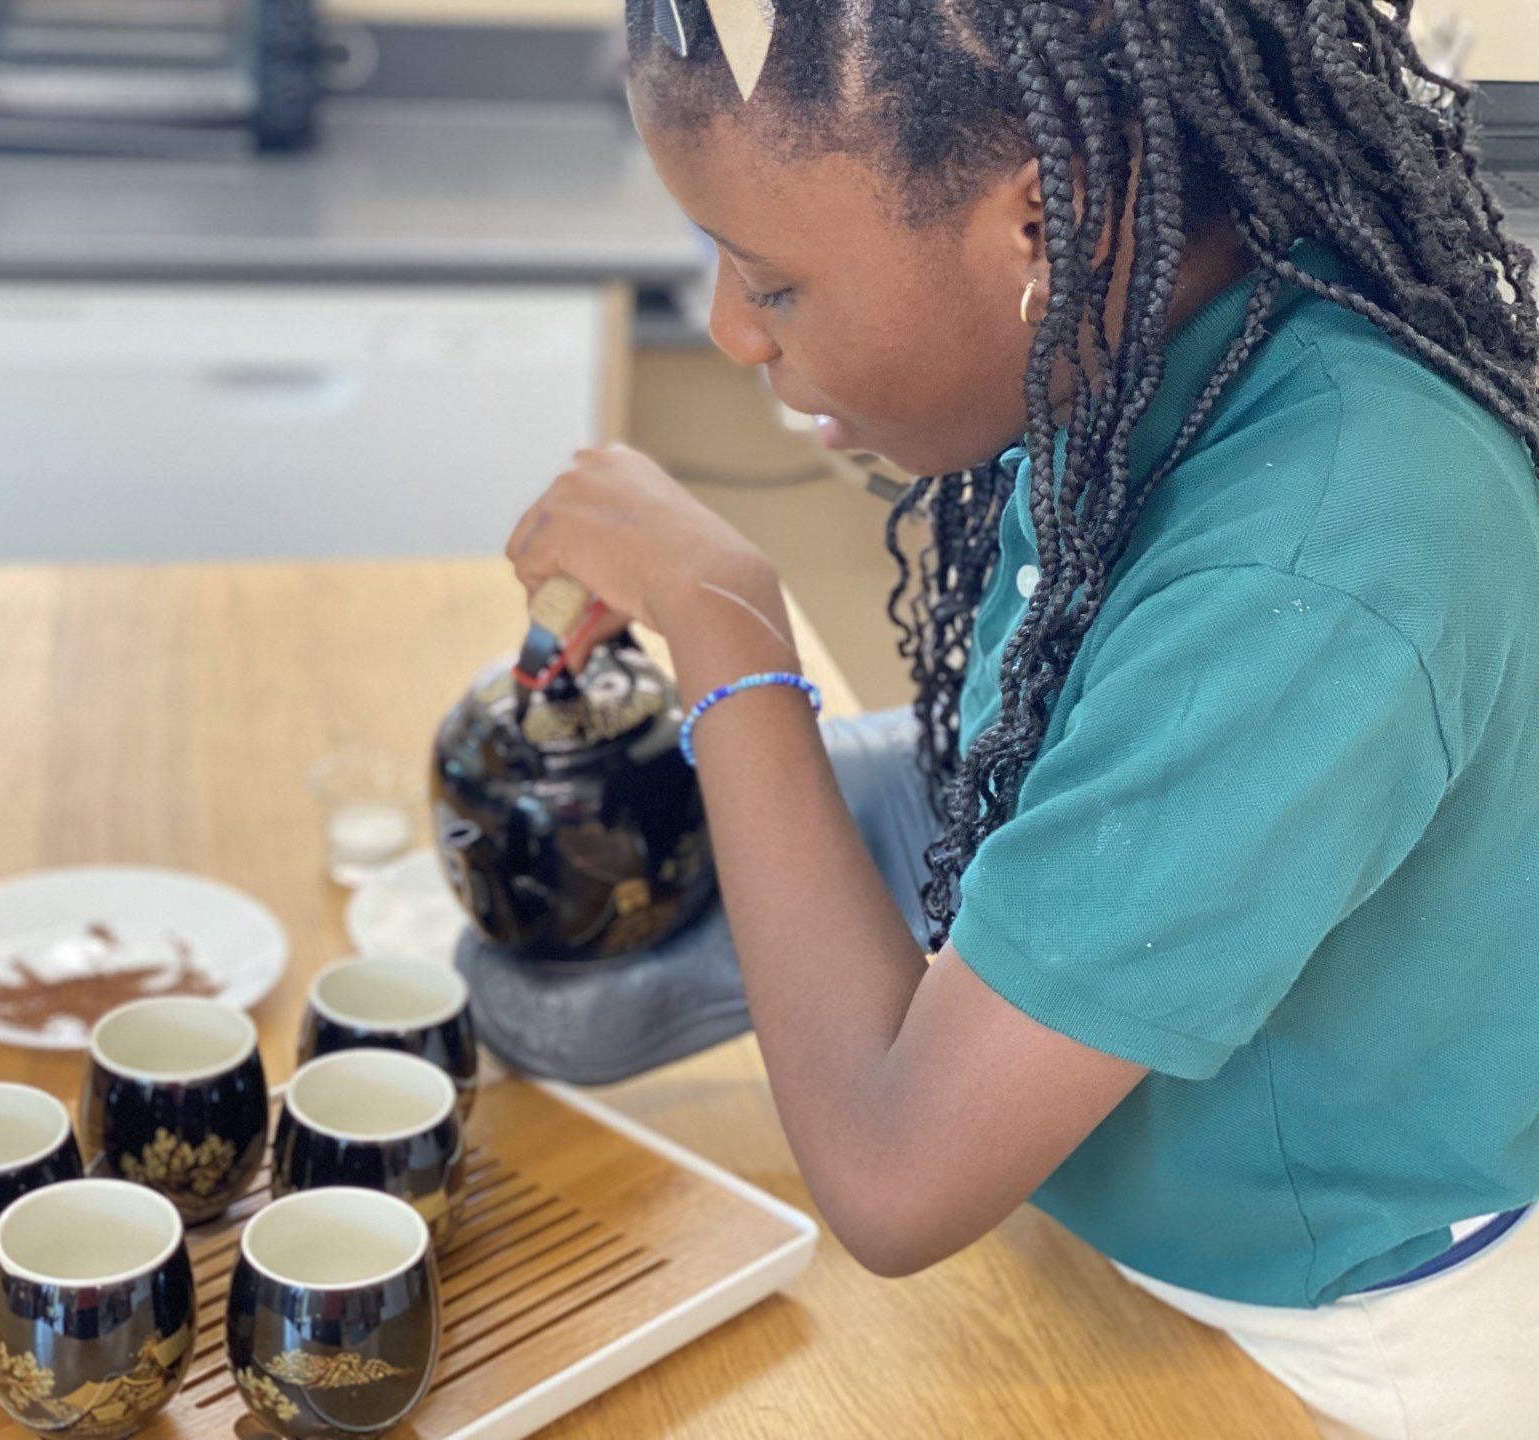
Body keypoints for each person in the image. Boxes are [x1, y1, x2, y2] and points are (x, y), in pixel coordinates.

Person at [503, 4, 1539, 1436]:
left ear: (1039, 221)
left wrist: (723, 625)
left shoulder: (1317, 559)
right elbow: (1068, 771)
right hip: (1105, 1242)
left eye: (775, 281)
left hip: (1316, 1356)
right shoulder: (1143, 339)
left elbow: (893, 1180)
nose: (732, 328)